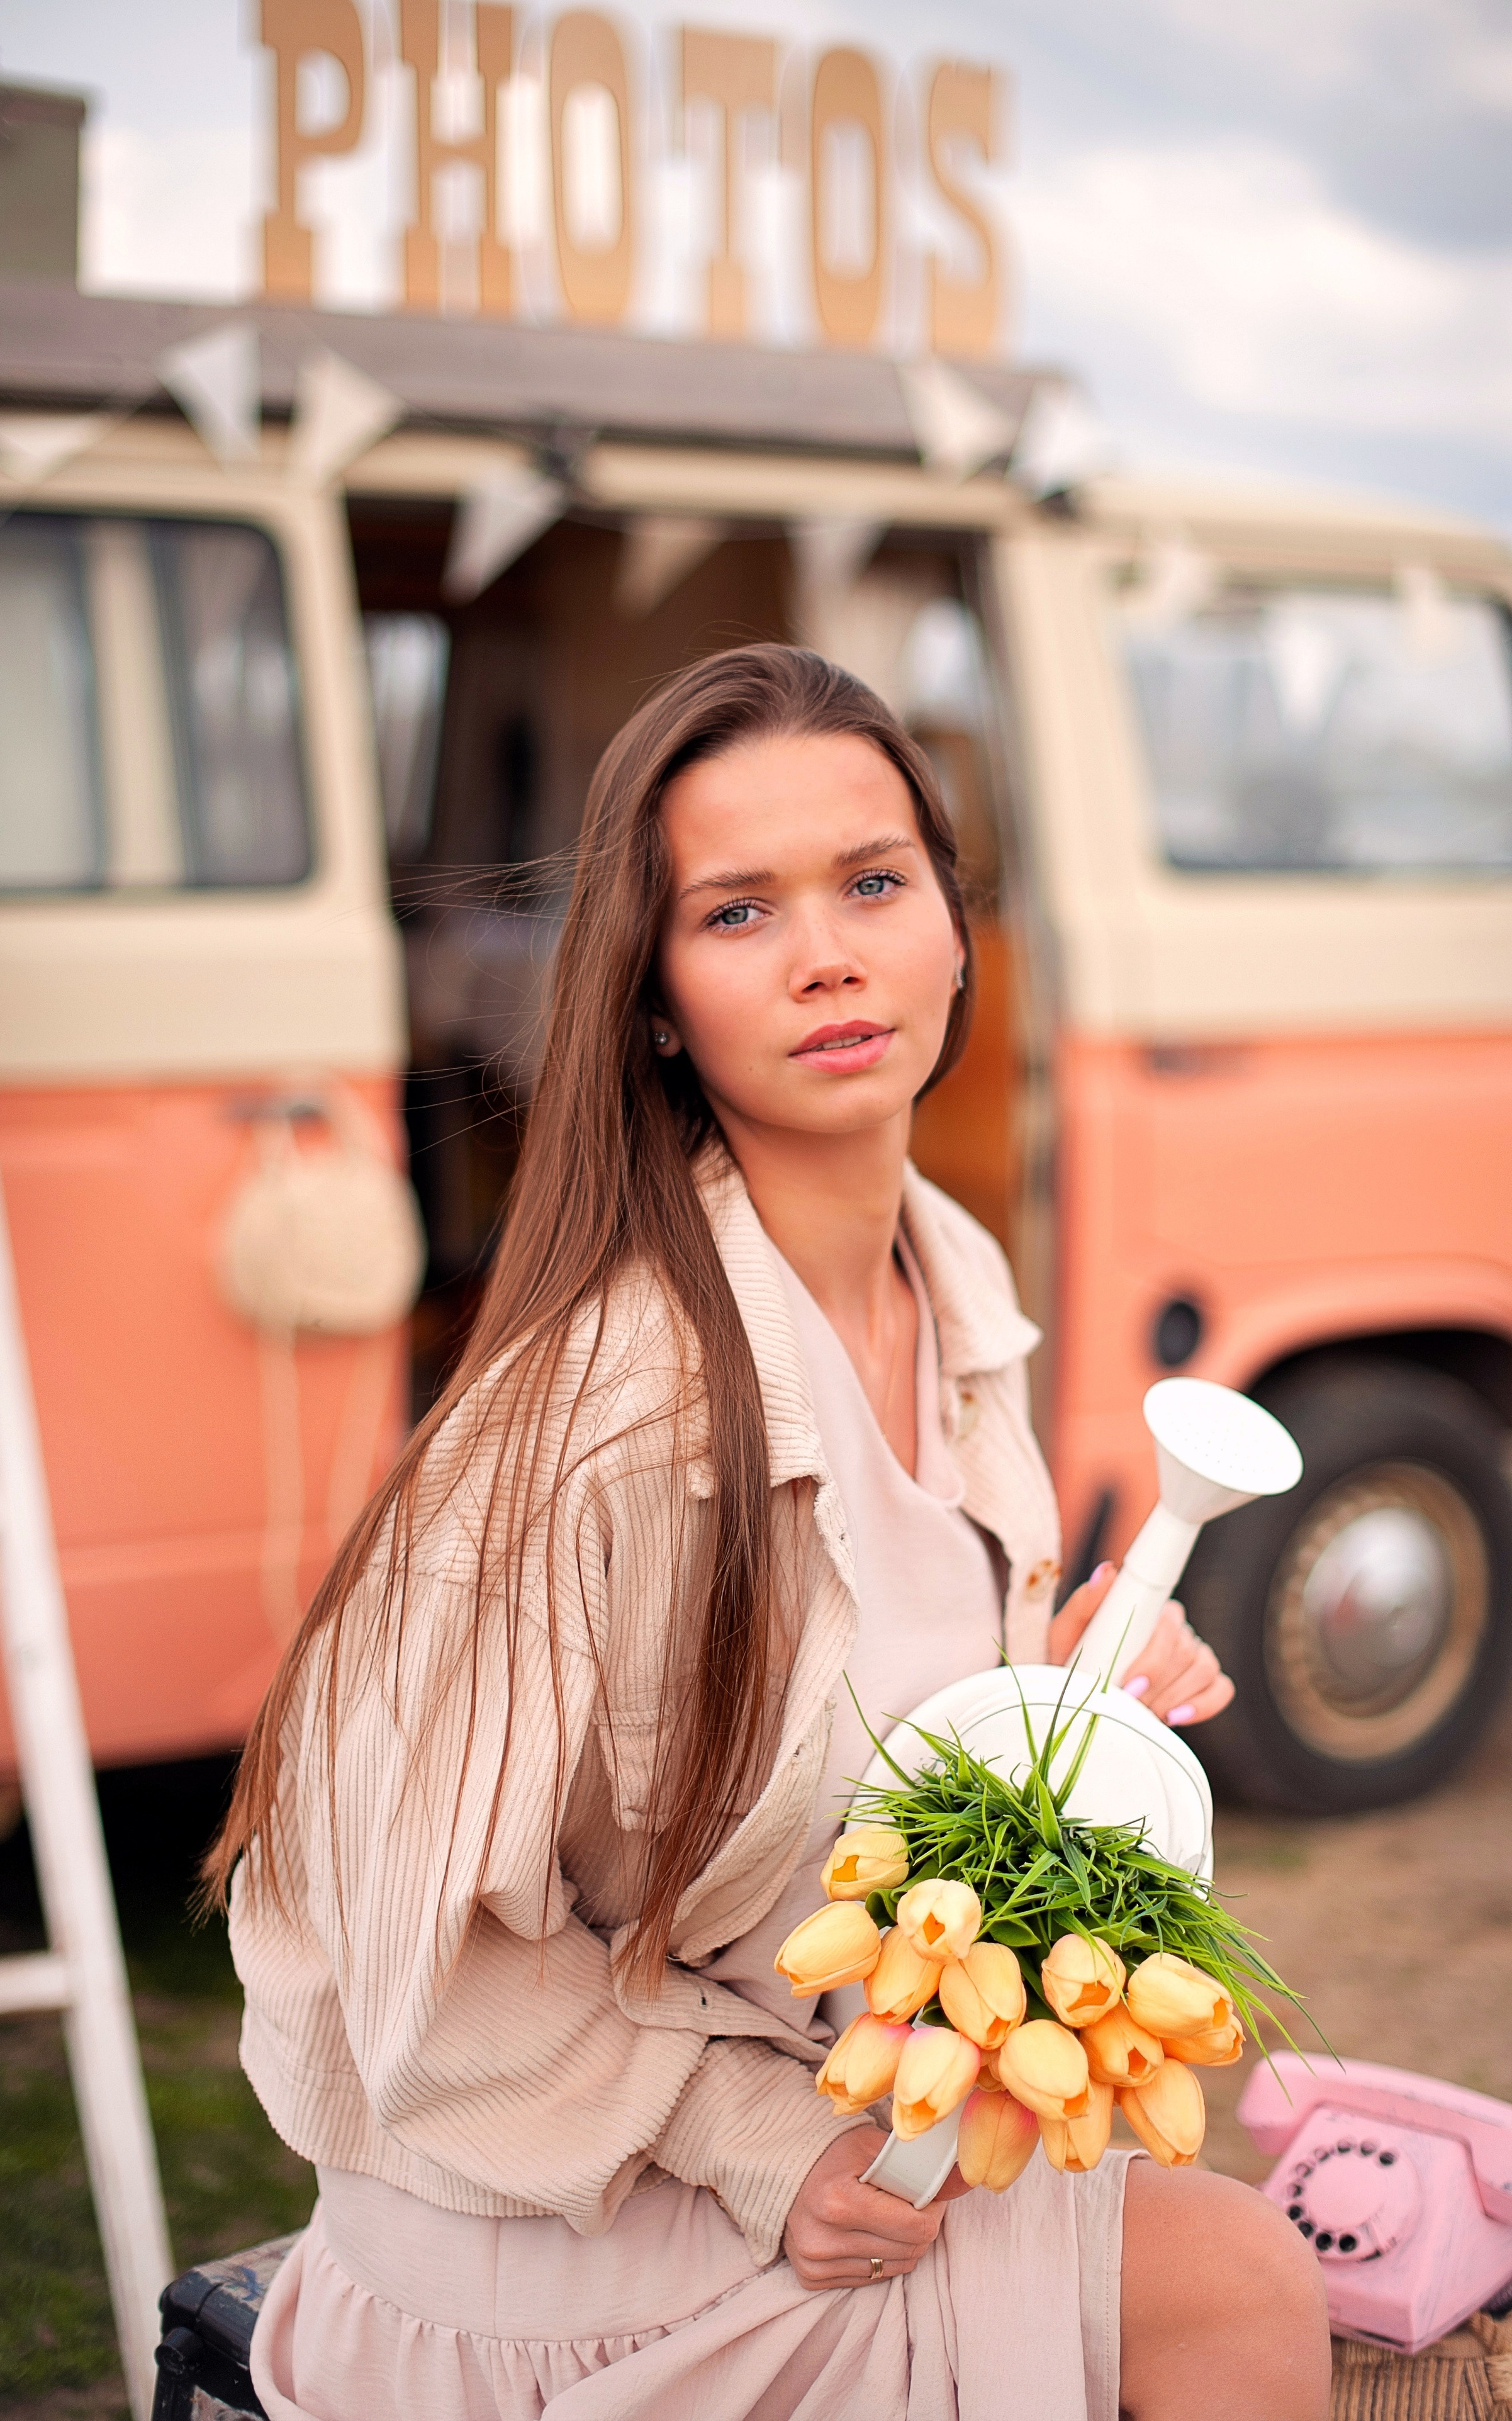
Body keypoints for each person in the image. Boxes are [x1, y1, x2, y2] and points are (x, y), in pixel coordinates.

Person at [207, 644, 1329, 2420]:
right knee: (1240, 2284)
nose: (828, 954)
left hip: (824, 2115)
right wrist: (750, 2143)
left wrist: (1047, 1702)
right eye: (738, 914)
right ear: (653, 996)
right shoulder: (598, 1417)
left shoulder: (952, 1281)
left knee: (1224, 2222)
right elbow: (398, 1963)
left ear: (958, 932)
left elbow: (826, 1746)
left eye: (875, 885)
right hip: (553, 2218)